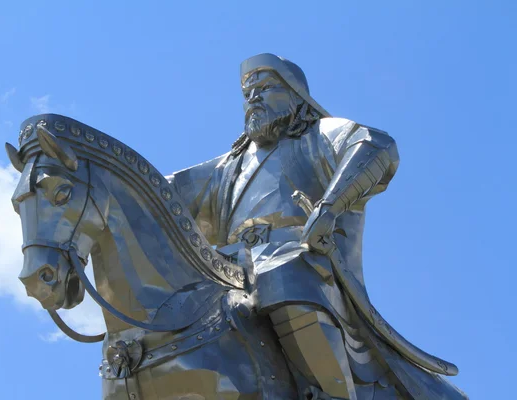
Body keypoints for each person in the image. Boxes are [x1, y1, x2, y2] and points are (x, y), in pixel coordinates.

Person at [168, 53, 467, 399]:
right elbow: (157, 191)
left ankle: (331, 392)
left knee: (282, 273)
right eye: (248, 93)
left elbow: (375, 145)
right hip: (229, 266)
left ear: (295, 95)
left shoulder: (317, 136)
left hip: (300, 259)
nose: (253, 99)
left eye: (264, 88)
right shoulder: (230, 166)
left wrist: (329, 207)